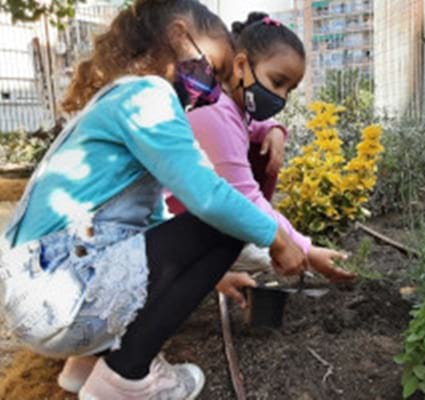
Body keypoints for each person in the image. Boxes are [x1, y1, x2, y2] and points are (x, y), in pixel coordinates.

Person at [0, 1, 305, 399]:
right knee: (223, 221)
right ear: (181, 36)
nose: (212, 85)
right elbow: (209, 198)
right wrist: (278, 238)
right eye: (212, 67)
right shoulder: (149, 95)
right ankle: (126, 377)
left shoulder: (121, 96)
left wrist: (211, 275)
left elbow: (153, 222)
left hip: (42, 295)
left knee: (201, 225)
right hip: (58, 294)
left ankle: (87, 366)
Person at [167, 12, 356, 294]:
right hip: (161, 224)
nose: (281, 97)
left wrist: (274, 129)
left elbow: (249, 125)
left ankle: (230, 248)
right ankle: (205, 258)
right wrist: (305, 249)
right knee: (243, 206)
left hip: (180, 212)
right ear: (241, 65)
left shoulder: (227, 105)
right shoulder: (214, 114)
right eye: (277, 82)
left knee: (259, 152)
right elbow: (246, 198)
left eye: (289, 90)